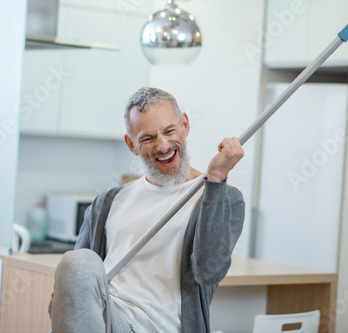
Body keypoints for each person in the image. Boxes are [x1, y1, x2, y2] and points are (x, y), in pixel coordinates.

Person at [49, 87, 245, 333]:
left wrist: (216, 179)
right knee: (77, 261)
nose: (162, 146)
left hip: (157, 327)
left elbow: (209, 272)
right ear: (131, 144)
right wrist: (64, 300)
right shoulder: (108, 201)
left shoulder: (222, 197)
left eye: (169, 131)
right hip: (107, 319)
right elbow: (70, 302)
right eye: (148, 138)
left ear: (185, 124)